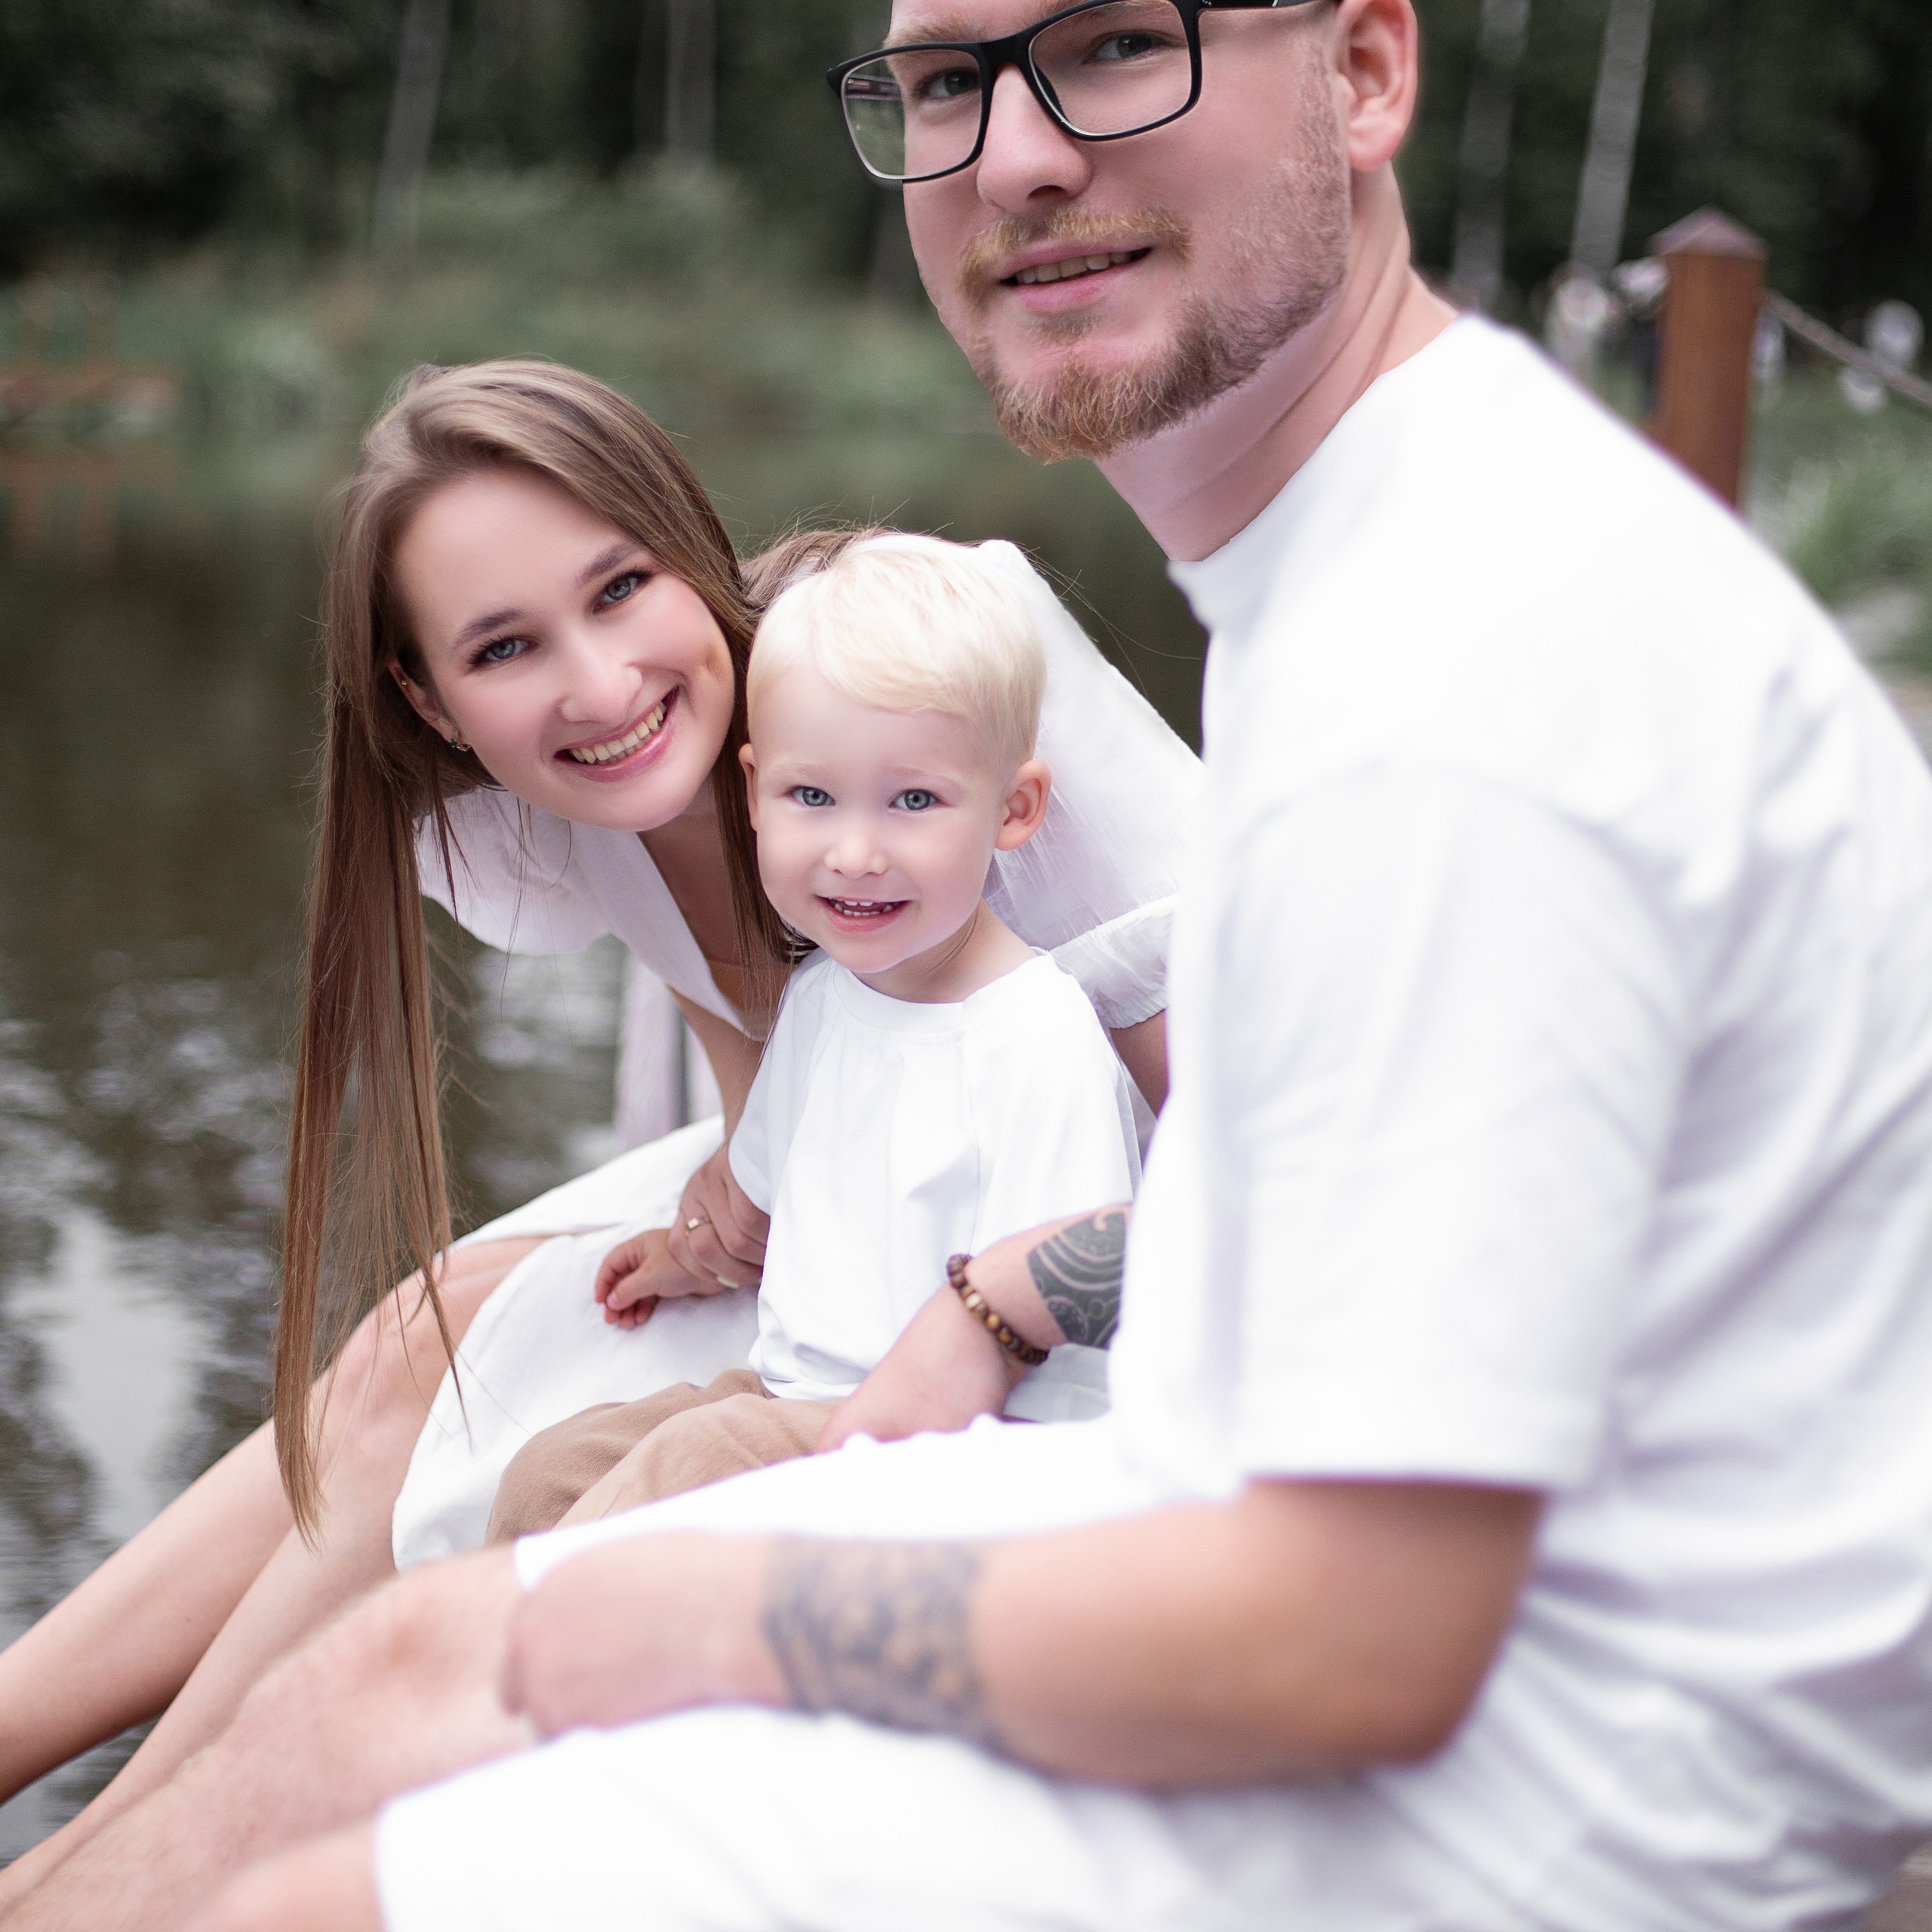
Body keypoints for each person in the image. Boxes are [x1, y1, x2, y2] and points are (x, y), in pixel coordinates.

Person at [9, 0, 1932, 1926]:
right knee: (408, 1628)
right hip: (1426, 1564)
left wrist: (730, 1597)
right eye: (945, 81)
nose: (1014, 154)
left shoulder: (1444, 675)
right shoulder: (1380, 566)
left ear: (1362, 71)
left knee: (388, 1761)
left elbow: (1364, 1626)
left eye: (1117, 45)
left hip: (1581, 1771)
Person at [0, 368, 1197, 1900]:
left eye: (621, 586)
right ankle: (79, 1836)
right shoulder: (591, 797)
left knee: (477, 1388)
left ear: (687, 541)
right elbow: (778, 1110)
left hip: (1070, 1289)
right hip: (859, 1237)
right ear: (430, 698)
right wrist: (712, 1215)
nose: (599, 685)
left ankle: (111, 1879)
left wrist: (988, 1308)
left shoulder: (937, 667)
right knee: (417, 1339)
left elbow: (1290, 1177)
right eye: (504, 647)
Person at [485, 533, 1142, 1536]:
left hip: (945, 1445)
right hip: (785, 1398)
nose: (855, 851)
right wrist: (680, 1257)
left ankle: (527, 1631)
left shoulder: (1033, 1035)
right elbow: (762, 1198)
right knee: (554, 1471)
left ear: (1014, 810)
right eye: (812, 797)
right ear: (755, 793)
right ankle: (515, 1613)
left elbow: (1067, 1298)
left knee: (691, 1463)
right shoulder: (824, 1000)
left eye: (914, 800)